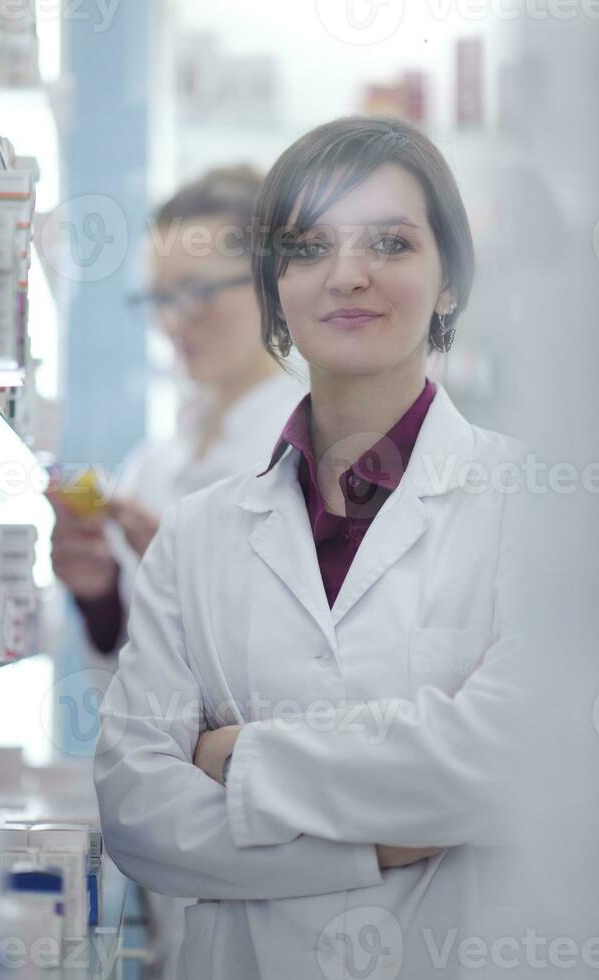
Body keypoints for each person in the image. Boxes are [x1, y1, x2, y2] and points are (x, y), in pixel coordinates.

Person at [94, 117, 528, 979]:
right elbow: (137, 813)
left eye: (390, 242)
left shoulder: (535, 510)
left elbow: (508, 764)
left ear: (449, 281)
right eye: (306, 247)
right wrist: (373, 846)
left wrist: (232, 758)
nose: (346, 276)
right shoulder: (199, 531)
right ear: (275, 289)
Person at [46, 165, 305, 657]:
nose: (171, 321)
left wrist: (184, 573)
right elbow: (127, 652)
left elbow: (308, 661)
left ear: (270, 284)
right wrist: (97, 589)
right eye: (159, 298)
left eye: (196, 293)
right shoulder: (154, 463)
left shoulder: (310, 455)